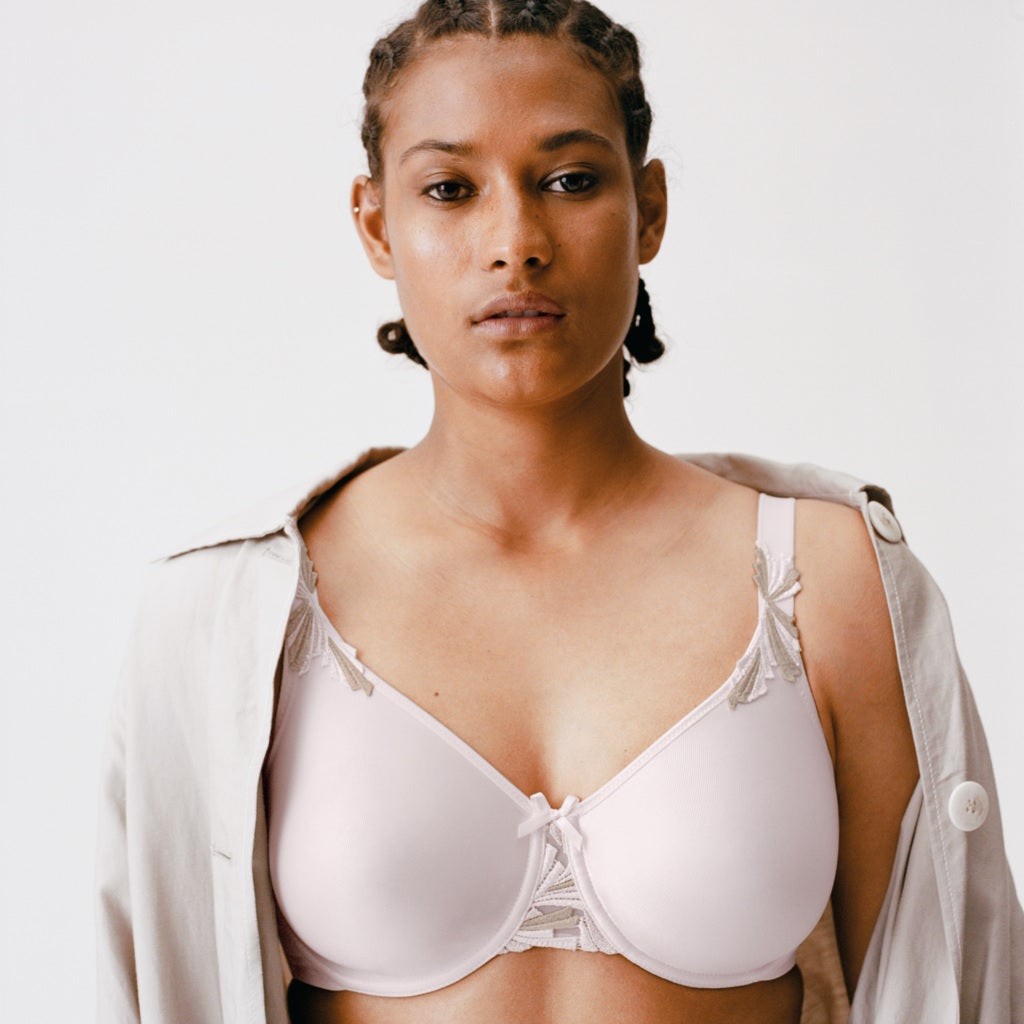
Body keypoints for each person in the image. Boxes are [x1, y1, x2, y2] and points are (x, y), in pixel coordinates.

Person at [95, 1, 1023, 1022]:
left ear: (649, 209)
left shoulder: (833, 579)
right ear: (376, 224)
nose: (516, 242)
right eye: (450, 189)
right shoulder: (226, 616)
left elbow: (951, 990)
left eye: (571, 179)